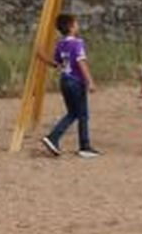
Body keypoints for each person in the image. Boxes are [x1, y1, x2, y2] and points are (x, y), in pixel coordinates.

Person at [38, 13, 100, 159]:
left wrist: (42, 57)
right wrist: (90, 81)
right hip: (76, 82)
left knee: (73, 113)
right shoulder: (77, 43)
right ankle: (81, 145)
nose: (78, 26)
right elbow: (81, 62)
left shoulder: (60, 44)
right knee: (81, 114)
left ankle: (56, 139)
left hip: (64, 81)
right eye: (76, 23)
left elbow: (57, 64)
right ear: (71, 27)